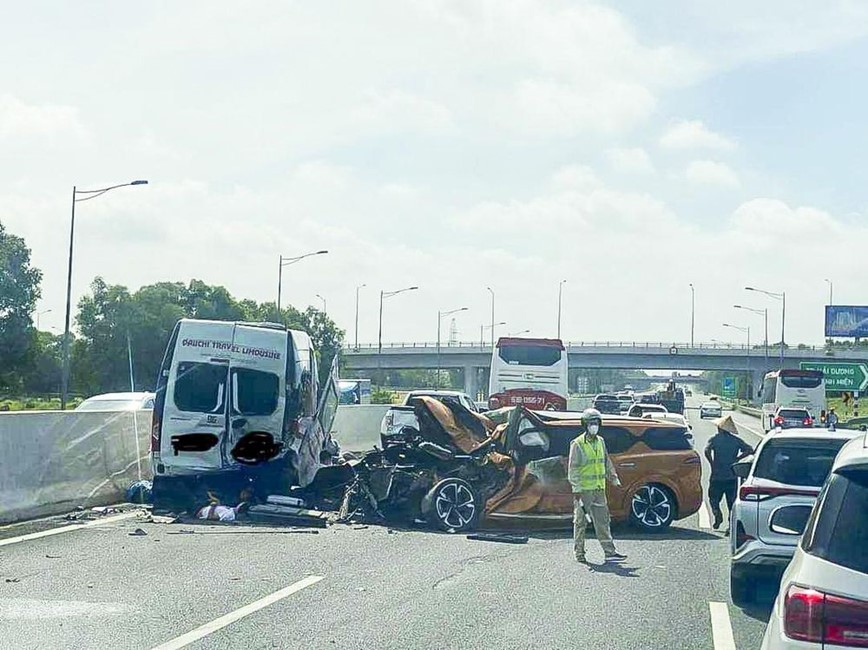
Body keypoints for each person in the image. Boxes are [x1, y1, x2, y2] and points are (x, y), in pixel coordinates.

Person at [568, 408, 627, 564]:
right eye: (591, 423)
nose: (594, 426)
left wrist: (614, 479)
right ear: (584, 425)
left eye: (596, 423)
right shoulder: (578, 443)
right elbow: (573, 468)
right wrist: (576, 489)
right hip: (584, 491)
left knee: (603, 521)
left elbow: (606, 462)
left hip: (599, 489)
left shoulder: (601, 441)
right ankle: (579, 553)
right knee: (580, 522)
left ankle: (610, 552)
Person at [704, 415, 754, 530]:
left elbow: (707, 450)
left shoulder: (715, 439)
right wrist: (737, 458)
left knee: (713, 498)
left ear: (721, 428)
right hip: (731, 475)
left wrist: (712, 463)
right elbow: (749, 449)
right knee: (731, 503)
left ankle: (717, 513)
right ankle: (730, 527)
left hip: (717, 475)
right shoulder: (736, 441)